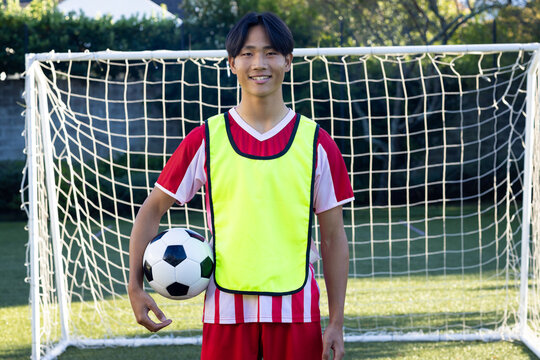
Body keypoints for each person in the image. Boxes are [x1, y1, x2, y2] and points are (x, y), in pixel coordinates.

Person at [128, 11, 353, 360]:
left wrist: (336, 321)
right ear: (232, 63)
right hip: (225, 313)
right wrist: (135, 286)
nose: (259, 63)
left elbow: (334, 237)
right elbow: (152, 209)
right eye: (247, 53)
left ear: (288, 61)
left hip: (296, 312)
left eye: (271, 52)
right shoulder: (205, 138)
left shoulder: (317, 143)